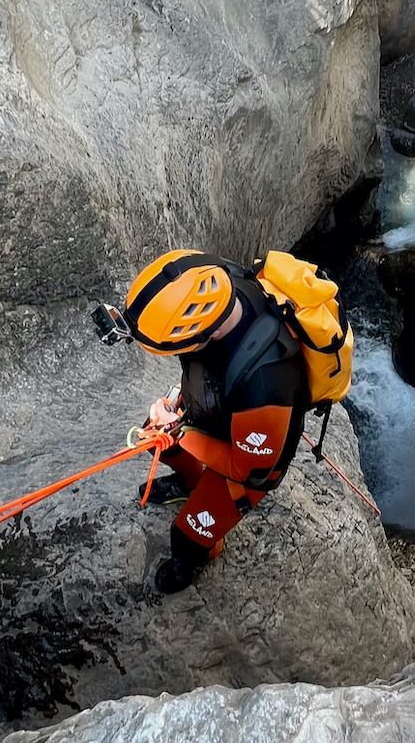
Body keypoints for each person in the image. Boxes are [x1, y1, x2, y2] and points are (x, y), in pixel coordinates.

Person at [122, 250, 309, 594]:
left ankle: (196, 556)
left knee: (187, 535)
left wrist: (181, 432)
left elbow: (250, 470)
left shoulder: (267, 381)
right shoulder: (226, 287)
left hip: (251, 459)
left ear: (200, 333)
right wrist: (181, 402)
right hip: (217, 414)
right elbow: (203, 364)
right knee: (156, 437)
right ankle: (191, 484)